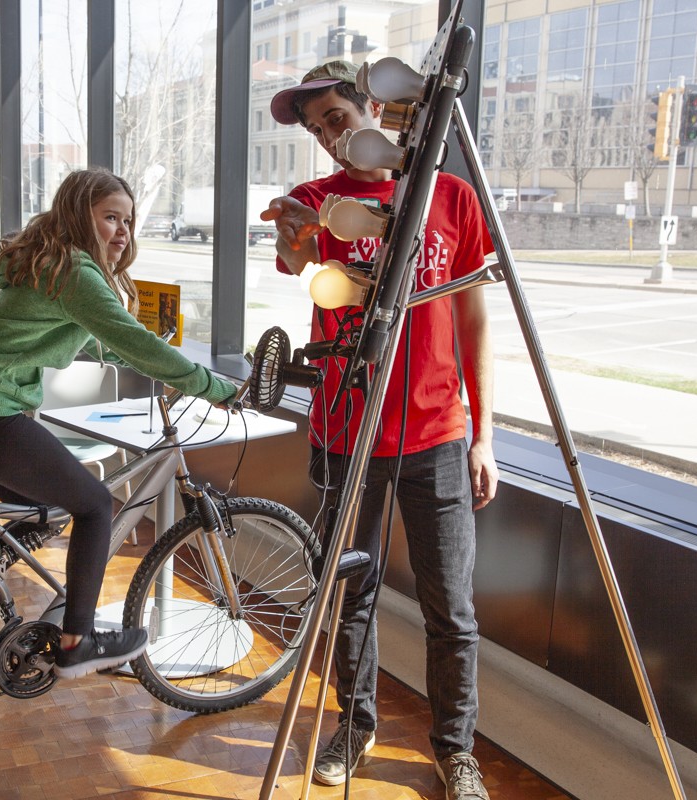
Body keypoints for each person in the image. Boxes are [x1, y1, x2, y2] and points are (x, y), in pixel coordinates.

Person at [261, 61, 499, 799]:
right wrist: (300, 239)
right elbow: (300, 268)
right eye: (319, 128)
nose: (331, 136)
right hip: (345, 430)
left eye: (337, 116)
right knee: (349, 595)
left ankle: (455, 750)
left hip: (437, 432)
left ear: (377, 104)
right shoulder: (315, 201)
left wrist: (485, 433)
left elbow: (473, 315)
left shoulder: (450, 197)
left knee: (450, 607)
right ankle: (355, 725)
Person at [0, 167, 237, 679]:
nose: (123, 232)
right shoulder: (74, 270)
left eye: (129, 222)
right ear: (78, 214)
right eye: (110, 217)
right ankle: (77, 642)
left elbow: (86, 337)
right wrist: (216, 386)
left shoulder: (48, 261)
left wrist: (144, 359)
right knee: (95, 504)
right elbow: (133, 341)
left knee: (50, 507)